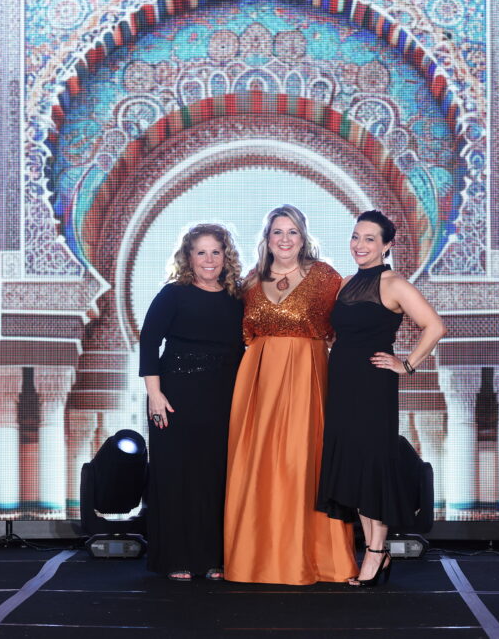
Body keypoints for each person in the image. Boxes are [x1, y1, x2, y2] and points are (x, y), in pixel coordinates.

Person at [224, 204, 358, 585]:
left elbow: (347, 326)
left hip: (307, 376)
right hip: (258, 383)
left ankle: (312, 558)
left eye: (292, 232)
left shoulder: (326, 277)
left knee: (303, 462)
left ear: (303, 237)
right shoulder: (249, 282)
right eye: (277, 232)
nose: (284, 239)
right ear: (267, 238)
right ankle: (255, 557)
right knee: (258, 462)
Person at [317, 210, 446, 587]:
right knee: (355, 465)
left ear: (387, 245)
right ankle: (378, 550)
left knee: (372, 465)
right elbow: (340, 333)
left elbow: (435, 326)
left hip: (373, 387)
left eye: (370, 238)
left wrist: (406, 364)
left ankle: (375, 551)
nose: (360, 245)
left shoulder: (393, 284)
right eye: (356, 237)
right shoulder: (343, 284)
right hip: (341, 384)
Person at [139, 223, 245, 581]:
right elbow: (149, 342)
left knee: (215, 479)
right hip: (174, 400)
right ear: (188, 256)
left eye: (216, 251)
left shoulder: (236, 298)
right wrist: (155, 395)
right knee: (175, 476)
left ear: (226, 255)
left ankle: (214, 558)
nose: (209, 259)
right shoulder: (174, 294)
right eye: (201, 252)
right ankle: (175, 558)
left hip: (223, 400)